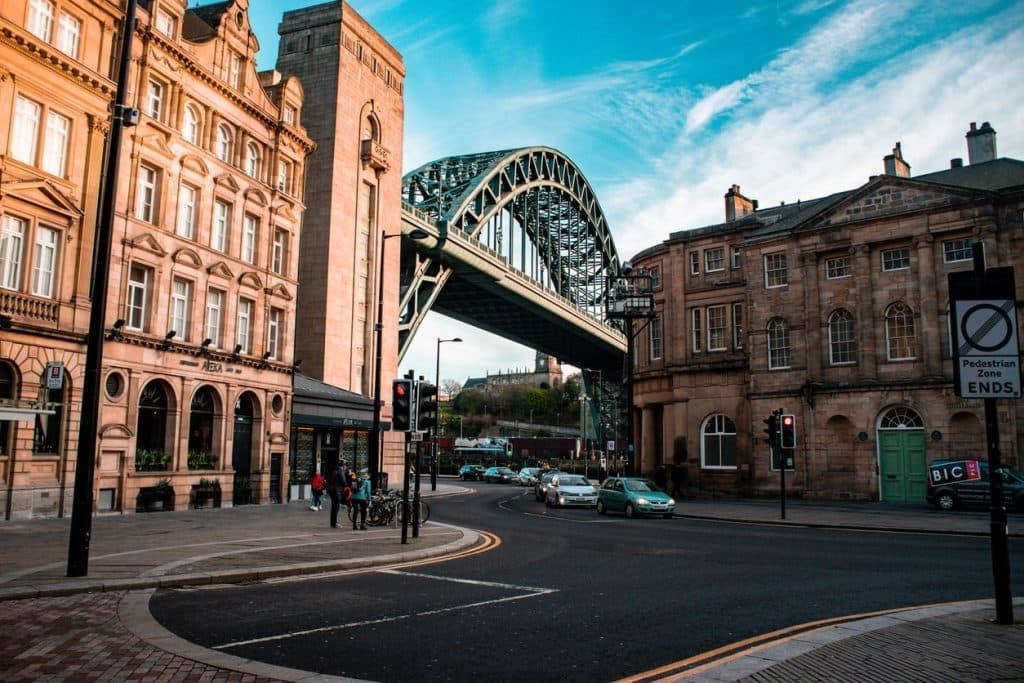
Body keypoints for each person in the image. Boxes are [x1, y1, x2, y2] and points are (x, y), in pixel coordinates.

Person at [328, 460, 350, 529]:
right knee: (336, 508)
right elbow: (343, 482)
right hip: (337, 491)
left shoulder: (334, 470)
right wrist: (348, 480)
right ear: (343, 465)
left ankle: (332, 523)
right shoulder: (340, 471)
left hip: (332, 491)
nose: (346, 467)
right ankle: (335, 523)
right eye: (346, 466)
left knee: (333, 507)